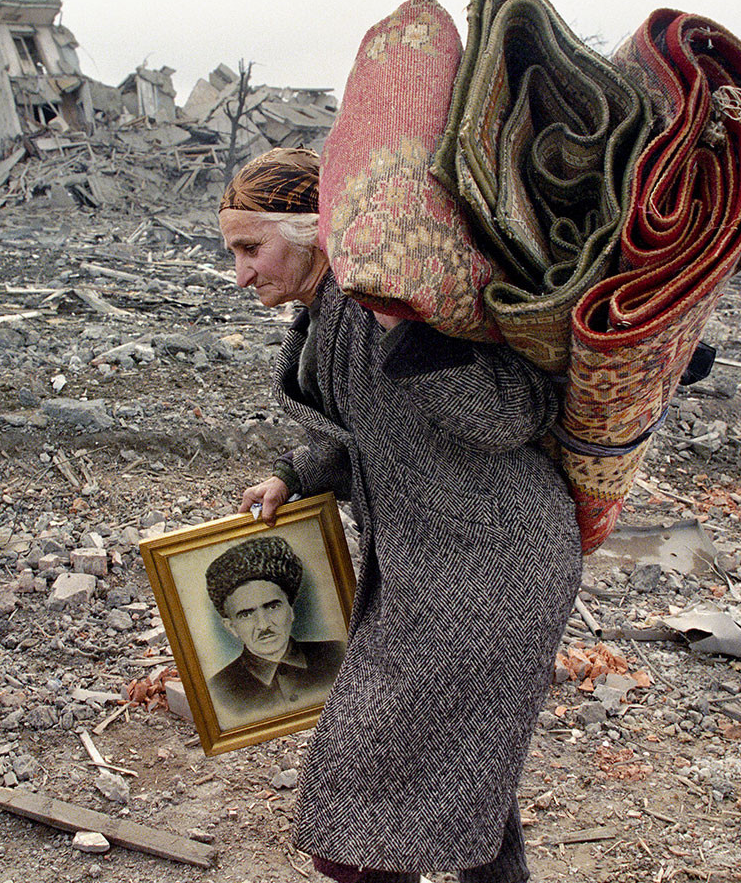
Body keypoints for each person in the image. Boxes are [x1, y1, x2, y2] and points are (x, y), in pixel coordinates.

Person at [221, 147, 586, 883]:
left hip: (495, 562)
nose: (241, 274)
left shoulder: (384, 304)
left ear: (311, 230)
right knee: (459, 756)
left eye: (250, 249)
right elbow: (364, 437)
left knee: (381, 755)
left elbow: (512, 412)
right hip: (436, 561)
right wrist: (292, 473)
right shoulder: (328, 318)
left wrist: (410, 332)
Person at [205, 536, 347, 721]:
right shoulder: (218, 692)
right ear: (231, 627)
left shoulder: (339, 655)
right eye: (246, 614)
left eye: (272, 607)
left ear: (291, 610)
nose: (263, 625)